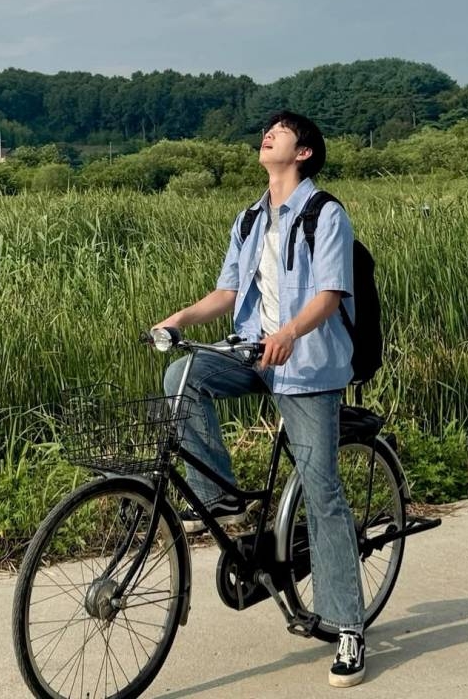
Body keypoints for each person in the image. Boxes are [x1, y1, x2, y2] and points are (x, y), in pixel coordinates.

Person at [153, 110, 366, 687]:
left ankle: (348, 625)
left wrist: (291, 333)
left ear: (303, 153)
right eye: (266, 129)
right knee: (183, 376)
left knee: (322, 492)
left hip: (308, 366)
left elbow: (329, 294)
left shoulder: (326, 214)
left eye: (281, 130)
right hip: (252, 352)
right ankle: (222, 500)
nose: (267, 134)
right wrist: (180, 318)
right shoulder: (249, 219)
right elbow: (227, 291)